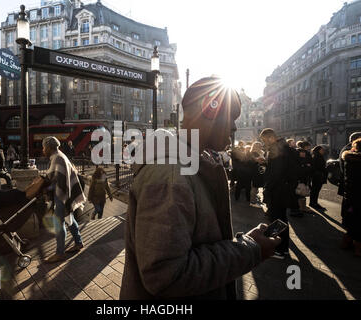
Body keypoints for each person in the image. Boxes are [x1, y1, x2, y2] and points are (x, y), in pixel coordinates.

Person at [120, 77, 280, 300]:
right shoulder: (172, 174)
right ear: (209, 111)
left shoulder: (192, 163)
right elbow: (165, 276)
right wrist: (249, 250)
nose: (234, 126)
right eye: (231, 118)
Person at [42, 137, 86, 264]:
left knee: (59, 223)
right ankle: (78, 243)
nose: (43, 150)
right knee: (69, 217)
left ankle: (60, 253)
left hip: (62, 194)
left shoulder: (57, 158)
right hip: (65, 193)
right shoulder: (59, 155)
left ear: (49, 147)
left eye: (44, 147)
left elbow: (55, 179)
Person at [260, 128, 294, 259]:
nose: (264, 143)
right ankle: (283, 248)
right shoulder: (284, 147)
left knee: (276, 219)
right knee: (282, 219)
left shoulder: (276, 149)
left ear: (270, 137)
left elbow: (277, 173)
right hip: (284, 189)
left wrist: (268, 187)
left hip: (277, 190)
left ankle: (279, 249)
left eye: (264, 140)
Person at [341, 138, 361, 256]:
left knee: (352, 219)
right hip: (357, 195)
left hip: (350, 195)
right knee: (358, 222)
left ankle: (346, 242)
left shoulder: (349, 159)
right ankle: (358, 248)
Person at [295, 141, 313, 215]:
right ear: (306, 146)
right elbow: (305, 162)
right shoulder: (303, 152)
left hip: (300, 174)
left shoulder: (297, 151)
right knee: (302, 190)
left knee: (300, 190)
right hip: (303, 174)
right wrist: (307, 166)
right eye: (308, 146)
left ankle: (301, 206)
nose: (309, 147)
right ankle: (302, 207)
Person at [309, 145, 328, 211]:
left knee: (315, 190)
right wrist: (325, 168)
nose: (323, 151)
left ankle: (313, 202)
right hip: (318, 176)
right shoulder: (317, 156)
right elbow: (317, 166)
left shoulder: (316, 155)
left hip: (318, 175)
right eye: (322, 150)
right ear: (318, 150)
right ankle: (313, 203)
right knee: (315, 190)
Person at [249, 142, 266, 208]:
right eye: (259, 146)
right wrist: (258, 160)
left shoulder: (262, 152)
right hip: (255, 171)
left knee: (258, 186)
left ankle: (255, 200)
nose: (260, 147)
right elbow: (252, 162)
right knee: (255, 186)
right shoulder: (252, 153)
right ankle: (253, 202)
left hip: (261, 170)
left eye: (261, 145)